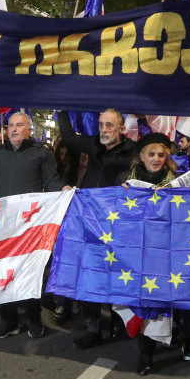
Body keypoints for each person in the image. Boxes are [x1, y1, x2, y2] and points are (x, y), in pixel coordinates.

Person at [0, 111, 65, 339]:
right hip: (2, 224)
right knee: (1, 271)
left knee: (28, 272)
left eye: (20, 125)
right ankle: (8, 319)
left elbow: (51, 180)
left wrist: (63, 190)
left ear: (29, 129)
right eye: (11, 125)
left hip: (29, 226)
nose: (15, 129)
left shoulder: (41, 154)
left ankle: (34, 318)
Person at [57, 109, 138, 349]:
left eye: (109, 126)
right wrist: (59, 108)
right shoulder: (93, 144)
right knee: (88, 276)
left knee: (114, 276)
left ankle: (116, 323)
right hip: (89, 222)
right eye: (101, 125)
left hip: (118, 225)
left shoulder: (134, 151)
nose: (103, 130)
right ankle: (93, 327)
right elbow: (70, 137)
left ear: (121, 129)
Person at [123, 133, 179, 376]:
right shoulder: (126, 181)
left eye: (161, 155)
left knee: (157, 300)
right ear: (141, 157)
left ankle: (147, 353)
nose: (156, 159)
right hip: (134, 252)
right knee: (137, 299)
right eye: (151, 154)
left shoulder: (178, 183)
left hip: (162, 252)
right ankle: (140, 342)